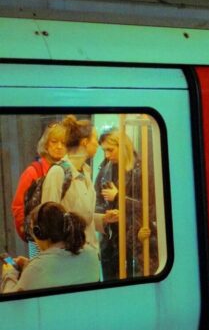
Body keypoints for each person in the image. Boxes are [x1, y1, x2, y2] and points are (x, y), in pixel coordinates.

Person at [96, 130, 159, 280]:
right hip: (111, 240)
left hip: (136, 240)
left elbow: (151, 208)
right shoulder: (105, 169)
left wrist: (119, 198)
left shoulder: (142, 170)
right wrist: (106, 216)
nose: (107, 155)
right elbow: (97, 200)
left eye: (110, 150)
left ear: (123, 146)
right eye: (104, 150)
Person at [42, 115, 109, 254]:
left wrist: (103, 219)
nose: (98, 144)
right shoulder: (57, 173)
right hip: (68, 259)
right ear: (85, 142)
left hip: (89, 256)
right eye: (95, 139)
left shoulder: (85, 171)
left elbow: (82, 218)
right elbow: (48, 223)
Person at [1, 202, 100, 293]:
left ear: (38, 233)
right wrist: (28, 265)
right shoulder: (92, 255)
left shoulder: (36, 269)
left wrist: (9, 272)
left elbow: (11, 305)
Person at [11, 122, 67, 253]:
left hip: (64, 239)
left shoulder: (69, 171)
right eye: (54, 141)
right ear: (46, 144)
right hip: (40, 240)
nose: (59, 147)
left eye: (64, 143)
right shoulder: (33, 171)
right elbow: (18, 207)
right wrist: (31, 234)